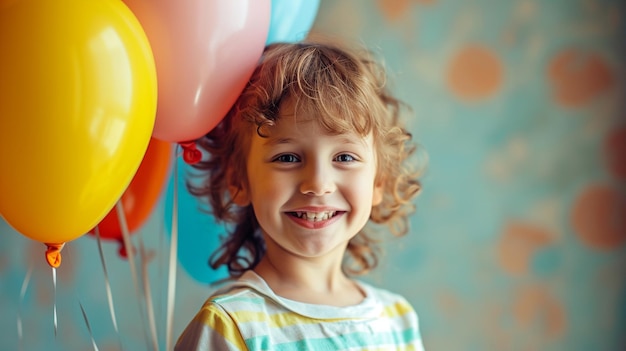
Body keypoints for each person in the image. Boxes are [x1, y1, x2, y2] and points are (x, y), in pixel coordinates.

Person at [175, 40, 425, 350]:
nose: (318, 184)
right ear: (239, 180)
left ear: (379, 182)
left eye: (344, 158)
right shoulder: (230, 325)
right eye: (288, 158)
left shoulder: (398, 320)